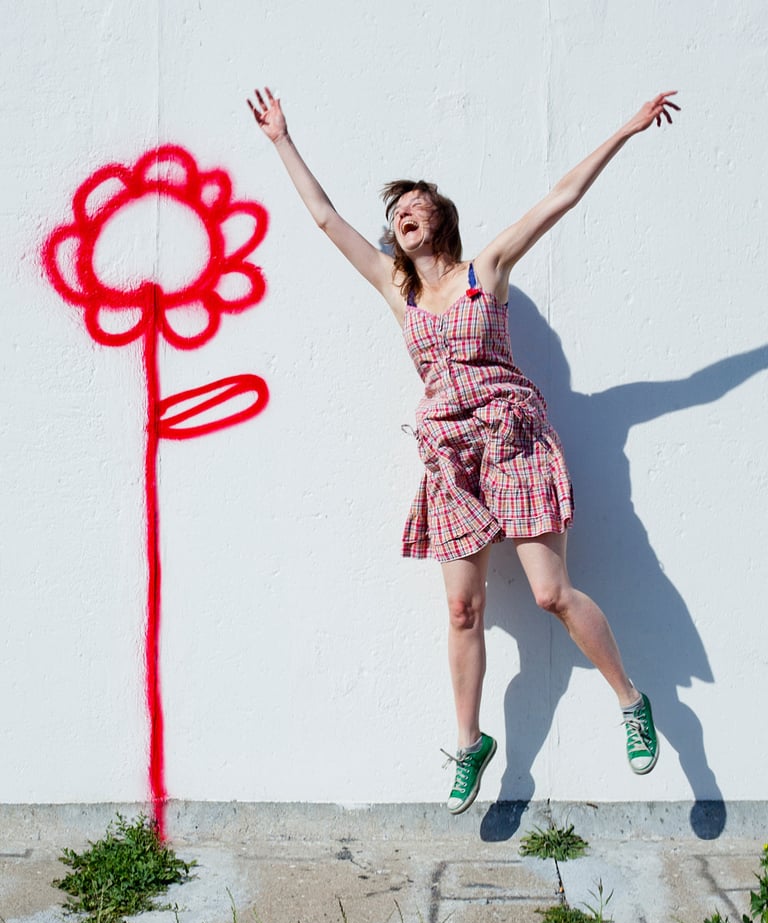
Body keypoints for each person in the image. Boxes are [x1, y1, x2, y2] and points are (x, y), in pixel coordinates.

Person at [248, 86, 680, 813]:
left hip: (512, 438)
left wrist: (627, 128)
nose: (402, 214)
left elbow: (561, 196)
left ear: (440, 218)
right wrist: (281, 139)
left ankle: (631, 701)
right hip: (451, 456)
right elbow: (325, 218)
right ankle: (470, 742)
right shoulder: (398, 292)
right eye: (396, 212)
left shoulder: (486, 271)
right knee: (460, 609)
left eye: (415, 204)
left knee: (549, 593)